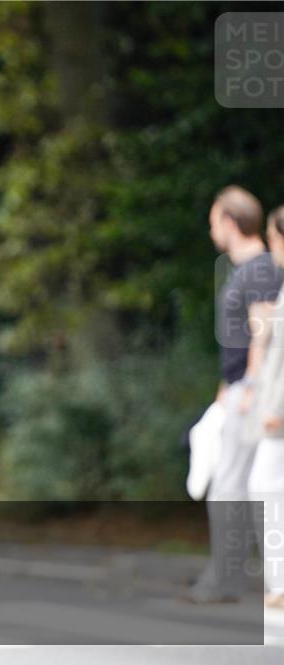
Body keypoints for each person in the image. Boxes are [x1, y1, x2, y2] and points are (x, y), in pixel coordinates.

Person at [186, 186, 284, 603]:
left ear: (229, 222)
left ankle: (229, 580)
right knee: (246, 482)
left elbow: (263, 335)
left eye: (213, 221)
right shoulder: (248, 268)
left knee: (237, 483)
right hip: (241, 388)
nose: (211, 230)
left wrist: (251, 389)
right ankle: (241, 578)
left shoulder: (261, 269)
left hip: (253, 390)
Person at [245, 205, 284, 608]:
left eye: (275, 238)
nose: (271, 246)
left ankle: (280, 584)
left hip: (280, 413)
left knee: (264, 487)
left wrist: (277, 406)